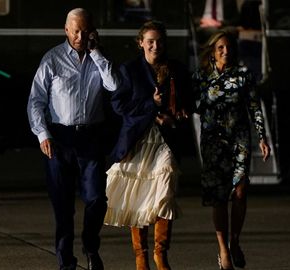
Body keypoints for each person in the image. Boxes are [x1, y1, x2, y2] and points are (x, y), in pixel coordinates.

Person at [27, 8, 119, 270]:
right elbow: (35, 101)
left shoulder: (98, 57)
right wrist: (42, 133)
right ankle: (65, 261)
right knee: (63, 206)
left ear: (92, 30)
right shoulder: (52, 59)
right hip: (60, 138)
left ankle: (91, 246)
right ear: (66, 30)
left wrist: (96, 53)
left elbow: (113, 85)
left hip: (90, 136)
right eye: (75, 30)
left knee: (96, 198)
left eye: (85, 30)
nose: (80, 36)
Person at [103, 21, 194, 270]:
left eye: (159, 41)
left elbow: (189, 98)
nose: (155, 45)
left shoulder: (176, 69)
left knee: (165, 192)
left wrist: (180, 113)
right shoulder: (130, 70)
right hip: (137, 139)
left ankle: (160, 254)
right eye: (150, 41)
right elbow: (119, 106)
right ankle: (141, 258)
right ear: (141, 42)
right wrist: (151, 108)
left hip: (165, 141)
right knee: (139, 198)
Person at [192, 30, 270, 270]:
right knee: (218, 197)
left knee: (240, 191)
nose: (226, 51)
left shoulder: (243, 74)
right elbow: (190, 104)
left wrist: (262, 137)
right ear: (213, 52)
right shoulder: (201, 77)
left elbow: (255, 106)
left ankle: (234, 241)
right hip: (214, 143)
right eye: (220, 48)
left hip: (240, 140)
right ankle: (223, 249)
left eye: (229, 48)